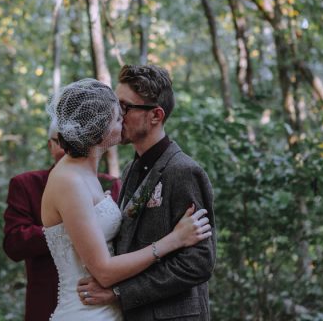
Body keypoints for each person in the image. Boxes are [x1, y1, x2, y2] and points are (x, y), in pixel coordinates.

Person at [41, 78, 212, 321]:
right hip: (85, 311)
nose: (122, 119)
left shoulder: (89, 173)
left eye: (125, 109)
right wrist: (174, 240)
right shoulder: (70, 180)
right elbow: (104, 271)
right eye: (117, 115)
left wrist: (120, 294)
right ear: (99, 128)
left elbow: (200, 261)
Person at [3, 122, 122, 321]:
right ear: (50, 145)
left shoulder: (109, 183)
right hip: (46, 301)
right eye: (60, 142)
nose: (67, 148)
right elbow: (14, 243)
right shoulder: (25, 184)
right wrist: (72, 224)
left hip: (103, 300)